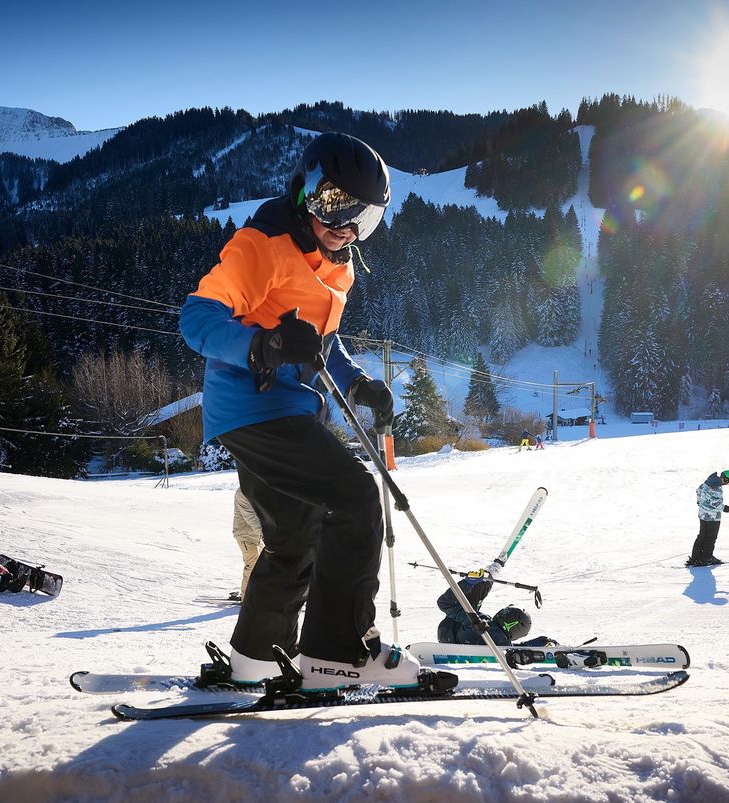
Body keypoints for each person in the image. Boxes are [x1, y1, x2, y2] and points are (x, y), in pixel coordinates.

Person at [180, 132, 414, 690]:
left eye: (365, 217)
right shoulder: (263, 243)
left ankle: (256, 660)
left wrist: (359, 385)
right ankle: (338, 654)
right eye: (335, 205)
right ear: (305, 190)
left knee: (294, 533)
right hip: (254, 408)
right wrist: (263, 345)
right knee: (355, 499)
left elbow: (326, 346)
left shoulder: (339, 264)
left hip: (290, 412)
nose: (346, 226)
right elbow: (197, 320)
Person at [436, 563, 538, 646]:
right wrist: (539, 643)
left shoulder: (482, 622)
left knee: (478, 587)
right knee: (478, 588)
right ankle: (490, 573)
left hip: (448, 631)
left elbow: (444, 603)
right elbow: (514, 651)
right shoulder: (500, 640)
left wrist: (466, 583)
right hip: (452, 633)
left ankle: (490, 573)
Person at [687, 470, 729, 566]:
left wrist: (700, 503)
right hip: (713, 517)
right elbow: (715, 504)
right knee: (711, 537)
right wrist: (727, 508)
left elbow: (698, 490)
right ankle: (706, 557)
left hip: (703, 514)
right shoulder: (717, 487)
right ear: (726, 479)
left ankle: (695, 557)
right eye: (728, 482)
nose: (726, 484)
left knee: (702, 536)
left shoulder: (708, 481)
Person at [232, 486, 265, 600]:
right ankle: (246, 598)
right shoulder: (242, 493)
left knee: (262, 565)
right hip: (245, 535)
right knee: (252, 564)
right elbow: (251, 517)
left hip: (256, 536)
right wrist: (265, 534)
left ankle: (258, 592)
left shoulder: (258, 490)